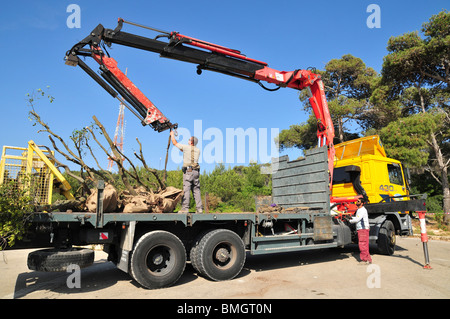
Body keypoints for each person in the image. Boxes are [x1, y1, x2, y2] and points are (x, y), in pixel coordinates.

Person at [170, 130, 203, 213]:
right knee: (196, 190)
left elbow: (174, 143)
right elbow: (184, 150)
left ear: (191, 142)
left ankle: (185, 208)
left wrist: (172, 135)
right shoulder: (197, 150)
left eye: (189, 139)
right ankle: (199, 209)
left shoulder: (186, 147)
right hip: (196, 172)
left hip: (189, 171)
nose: (187, 140)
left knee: (186, 189)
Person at [349, 198, 372, 264]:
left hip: (363, 229)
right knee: (365, 245)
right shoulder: (360, 210)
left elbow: (357, 219)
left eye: (358, 201)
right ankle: (368, 259)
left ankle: (364, 260)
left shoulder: (362, 210)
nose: (357, 202)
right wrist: (351, 217)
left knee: (362, 244)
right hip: (363, 229)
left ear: (362, 203)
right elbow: (357, 218)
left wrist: (350, 220)